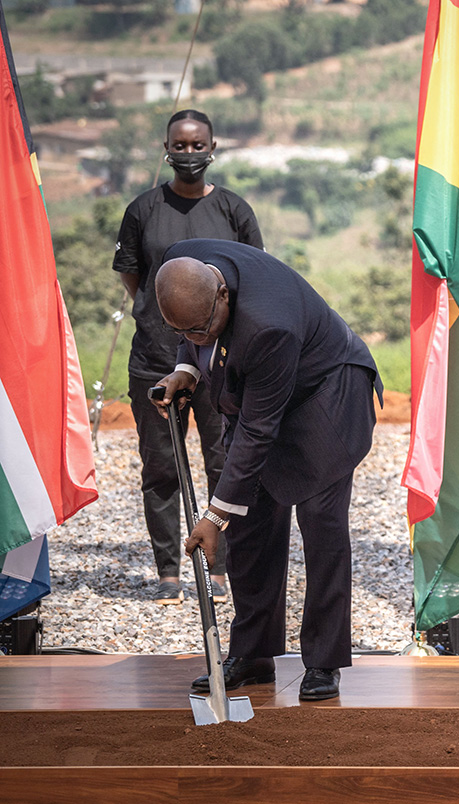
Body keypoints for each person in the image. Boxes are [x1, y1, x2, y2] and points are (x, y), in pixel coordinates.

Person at [152, 240, 382, 702]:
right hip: (261, 395)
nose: (198, 339)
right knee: (251, 529)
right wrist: (186, 369)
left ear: (223, 295)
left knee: (321, 527)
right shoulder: (184, 266)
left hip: (326, 398)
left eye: (202, 329)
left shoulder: (269, 325)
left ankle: (323, 661)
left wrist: (213, 516)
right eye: (184, 332)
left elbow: (258, 431)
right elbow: (194, 334)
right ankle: (253, 654)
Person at [112, 109, 263, 606]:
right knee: (160, 466)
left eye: (198, 145)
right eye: (180, 145)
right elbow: (134, 276)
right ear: (166, 148)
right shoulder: (143, 210)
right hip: (155, 358)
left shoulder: (234, 211)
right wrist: (163, 316)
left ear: (213, 148)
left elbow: (252, 278)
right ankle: (169, 571)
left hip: (220, 363)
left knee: (223, 461)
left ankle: (219, 567)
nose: (189, 153)